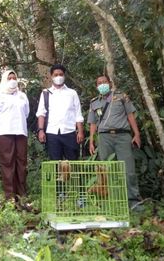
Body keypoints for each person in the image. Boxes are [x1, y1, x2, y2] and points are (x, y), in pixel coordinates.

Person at [87, 75, 142, 210]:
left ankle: (133, 201)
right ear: (96, 86)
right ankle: (112, 200)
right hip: (104, 138)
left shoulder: (121, 96)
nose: (102, 84)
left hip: (122, 136)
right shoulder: (94, 102)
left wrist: (137, 134)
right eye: (99, 83)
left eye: (104, 82)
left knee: (128, 169)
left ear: (110, 83)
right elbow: (93, 123)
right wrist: (91, 142)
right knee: (105, 170)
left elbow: (130, 115)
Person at [0, 70, 29, 201]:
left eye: (14, 77)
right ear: (5, 80)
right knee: (7, 162)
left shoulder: (22, 96)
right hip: (4, 132)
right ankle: (9, 194)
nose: (12, 80)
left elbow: (26, 113)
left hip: (21, 132)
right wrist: (2, 124)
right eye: (9, 78)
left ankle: (21, 193)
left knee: (21, 162)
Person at [36, 64, 84, 160]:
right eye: (56, 74)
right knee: (55, 163)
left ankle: (73, 176)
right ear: (51, 76)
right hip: (52, 133)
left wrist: (80, 131)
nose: (58, 77)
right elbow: (41, 114)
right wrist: (40, 130)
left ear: (64, 76)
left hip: (69, 132)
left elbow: (78, 114)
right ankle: (58, 176)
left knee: (73, 161)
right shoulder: (45, 93)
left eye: (61, 74)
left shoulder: (72, 93)